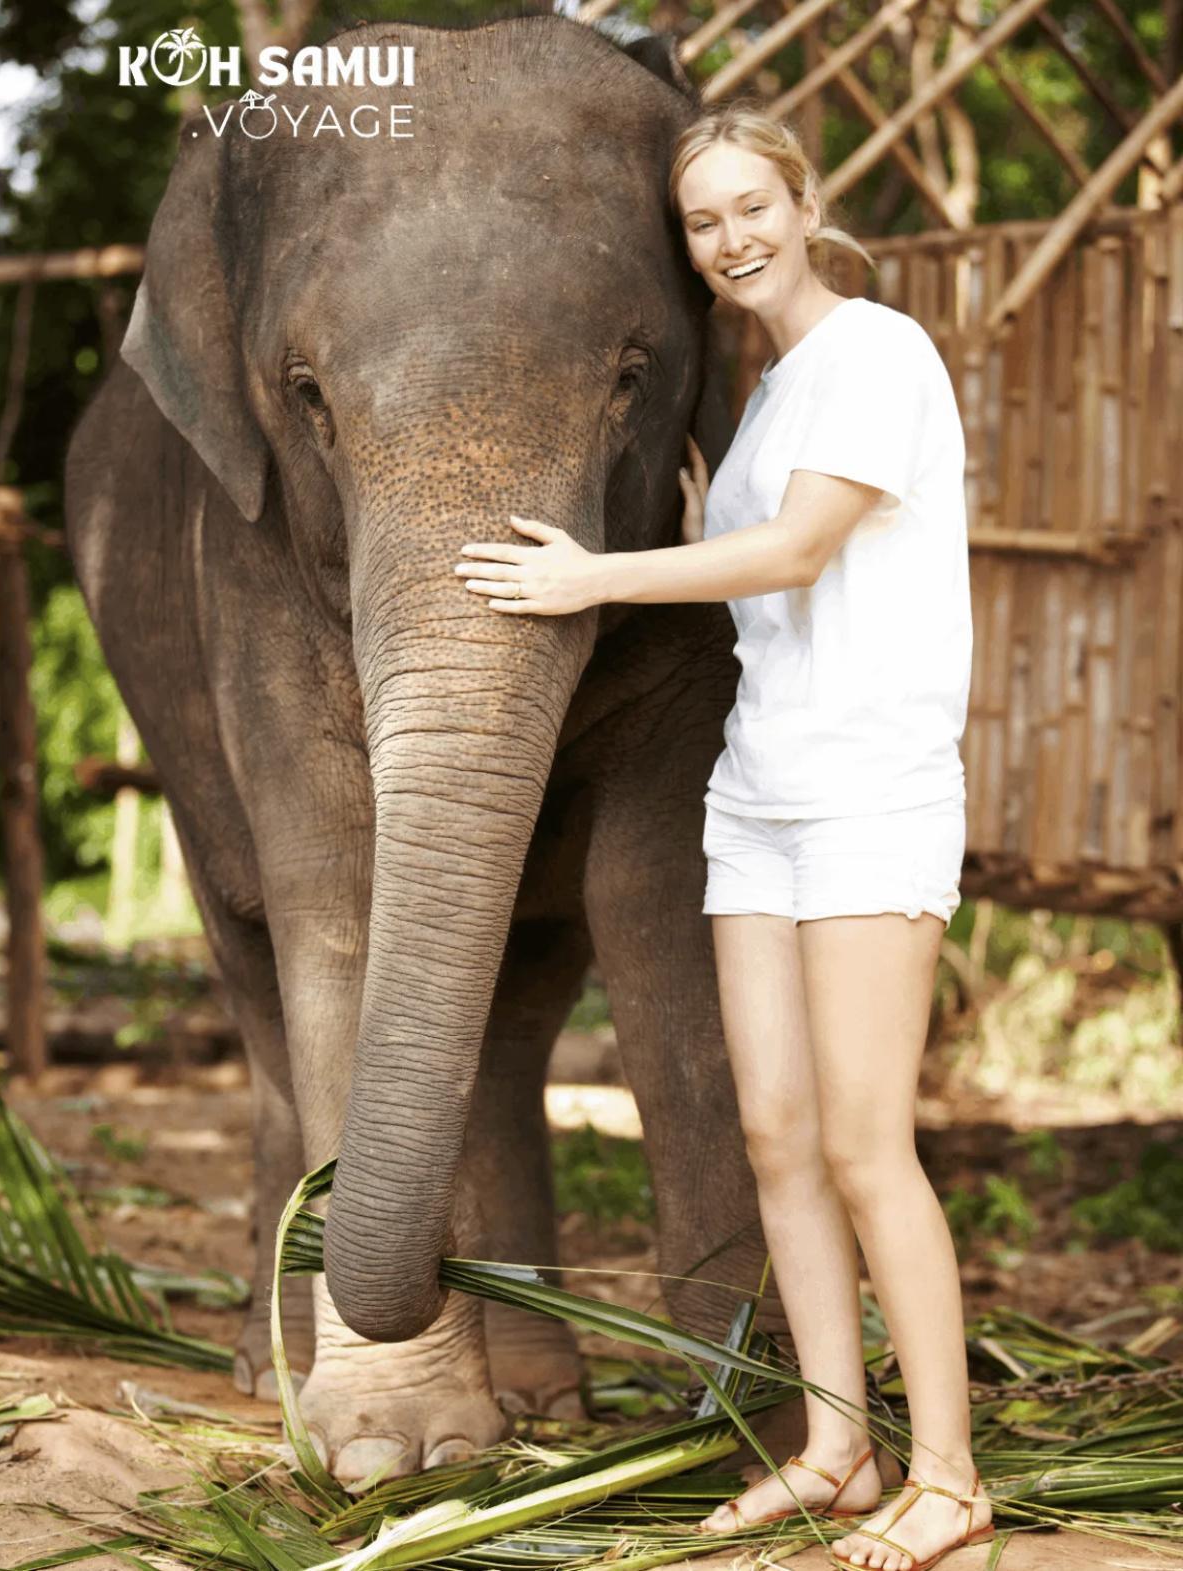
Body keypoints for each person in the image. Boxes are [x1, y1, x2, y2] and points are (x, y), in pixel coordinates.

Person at [452, 103, 988, 1571]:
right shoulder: (769, 393)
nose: (734, 238)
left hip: (871, 786)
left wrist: (596, 580)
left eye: (754, 206)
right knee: (778, 1136)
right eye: (705, 221)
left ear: (806, 205)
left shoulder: (878, 351)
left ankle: (949, 1471)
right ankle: (838, 1445)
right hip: (758, 794)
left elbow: (801, 551)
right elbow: (750, 551)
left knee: (873, 1144)